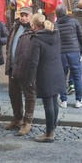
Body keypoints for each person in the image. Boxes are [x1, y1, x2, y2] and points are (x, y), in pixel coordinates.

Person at [26, 13, 65, 143]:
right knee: (54, 101)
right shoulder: (55, 33)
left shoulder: (36, 39)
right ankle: (52, 128)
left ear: (34, 25)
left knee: (48, 104)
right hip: (57, 70)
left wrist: (29, 79)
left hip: (45, 73)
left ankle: (49, 133)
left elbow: (33, 62)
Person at [5, 6, 36, 136]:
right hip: (13, 67)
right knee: (14, 95)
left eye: (26, 15)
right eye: (22, 15)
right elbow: (9, 44)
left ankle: (27, 122)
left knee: (29, 96)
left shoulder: (34, 30)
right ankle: (17, 118)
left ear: (31, 16)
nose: (23, 18)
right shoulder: (15, 27)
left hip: (26, 69)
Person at [55, 4, 82, 108]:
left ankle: (63, 100)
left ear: (57, 14)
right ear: (66, 12)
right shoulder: (74, 21)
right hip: (74, 52)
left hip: (61, 54)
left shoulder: (55, 24)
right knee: (77, 77)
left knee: (62, 78)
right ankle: (79, 100)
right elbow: (81, 38)